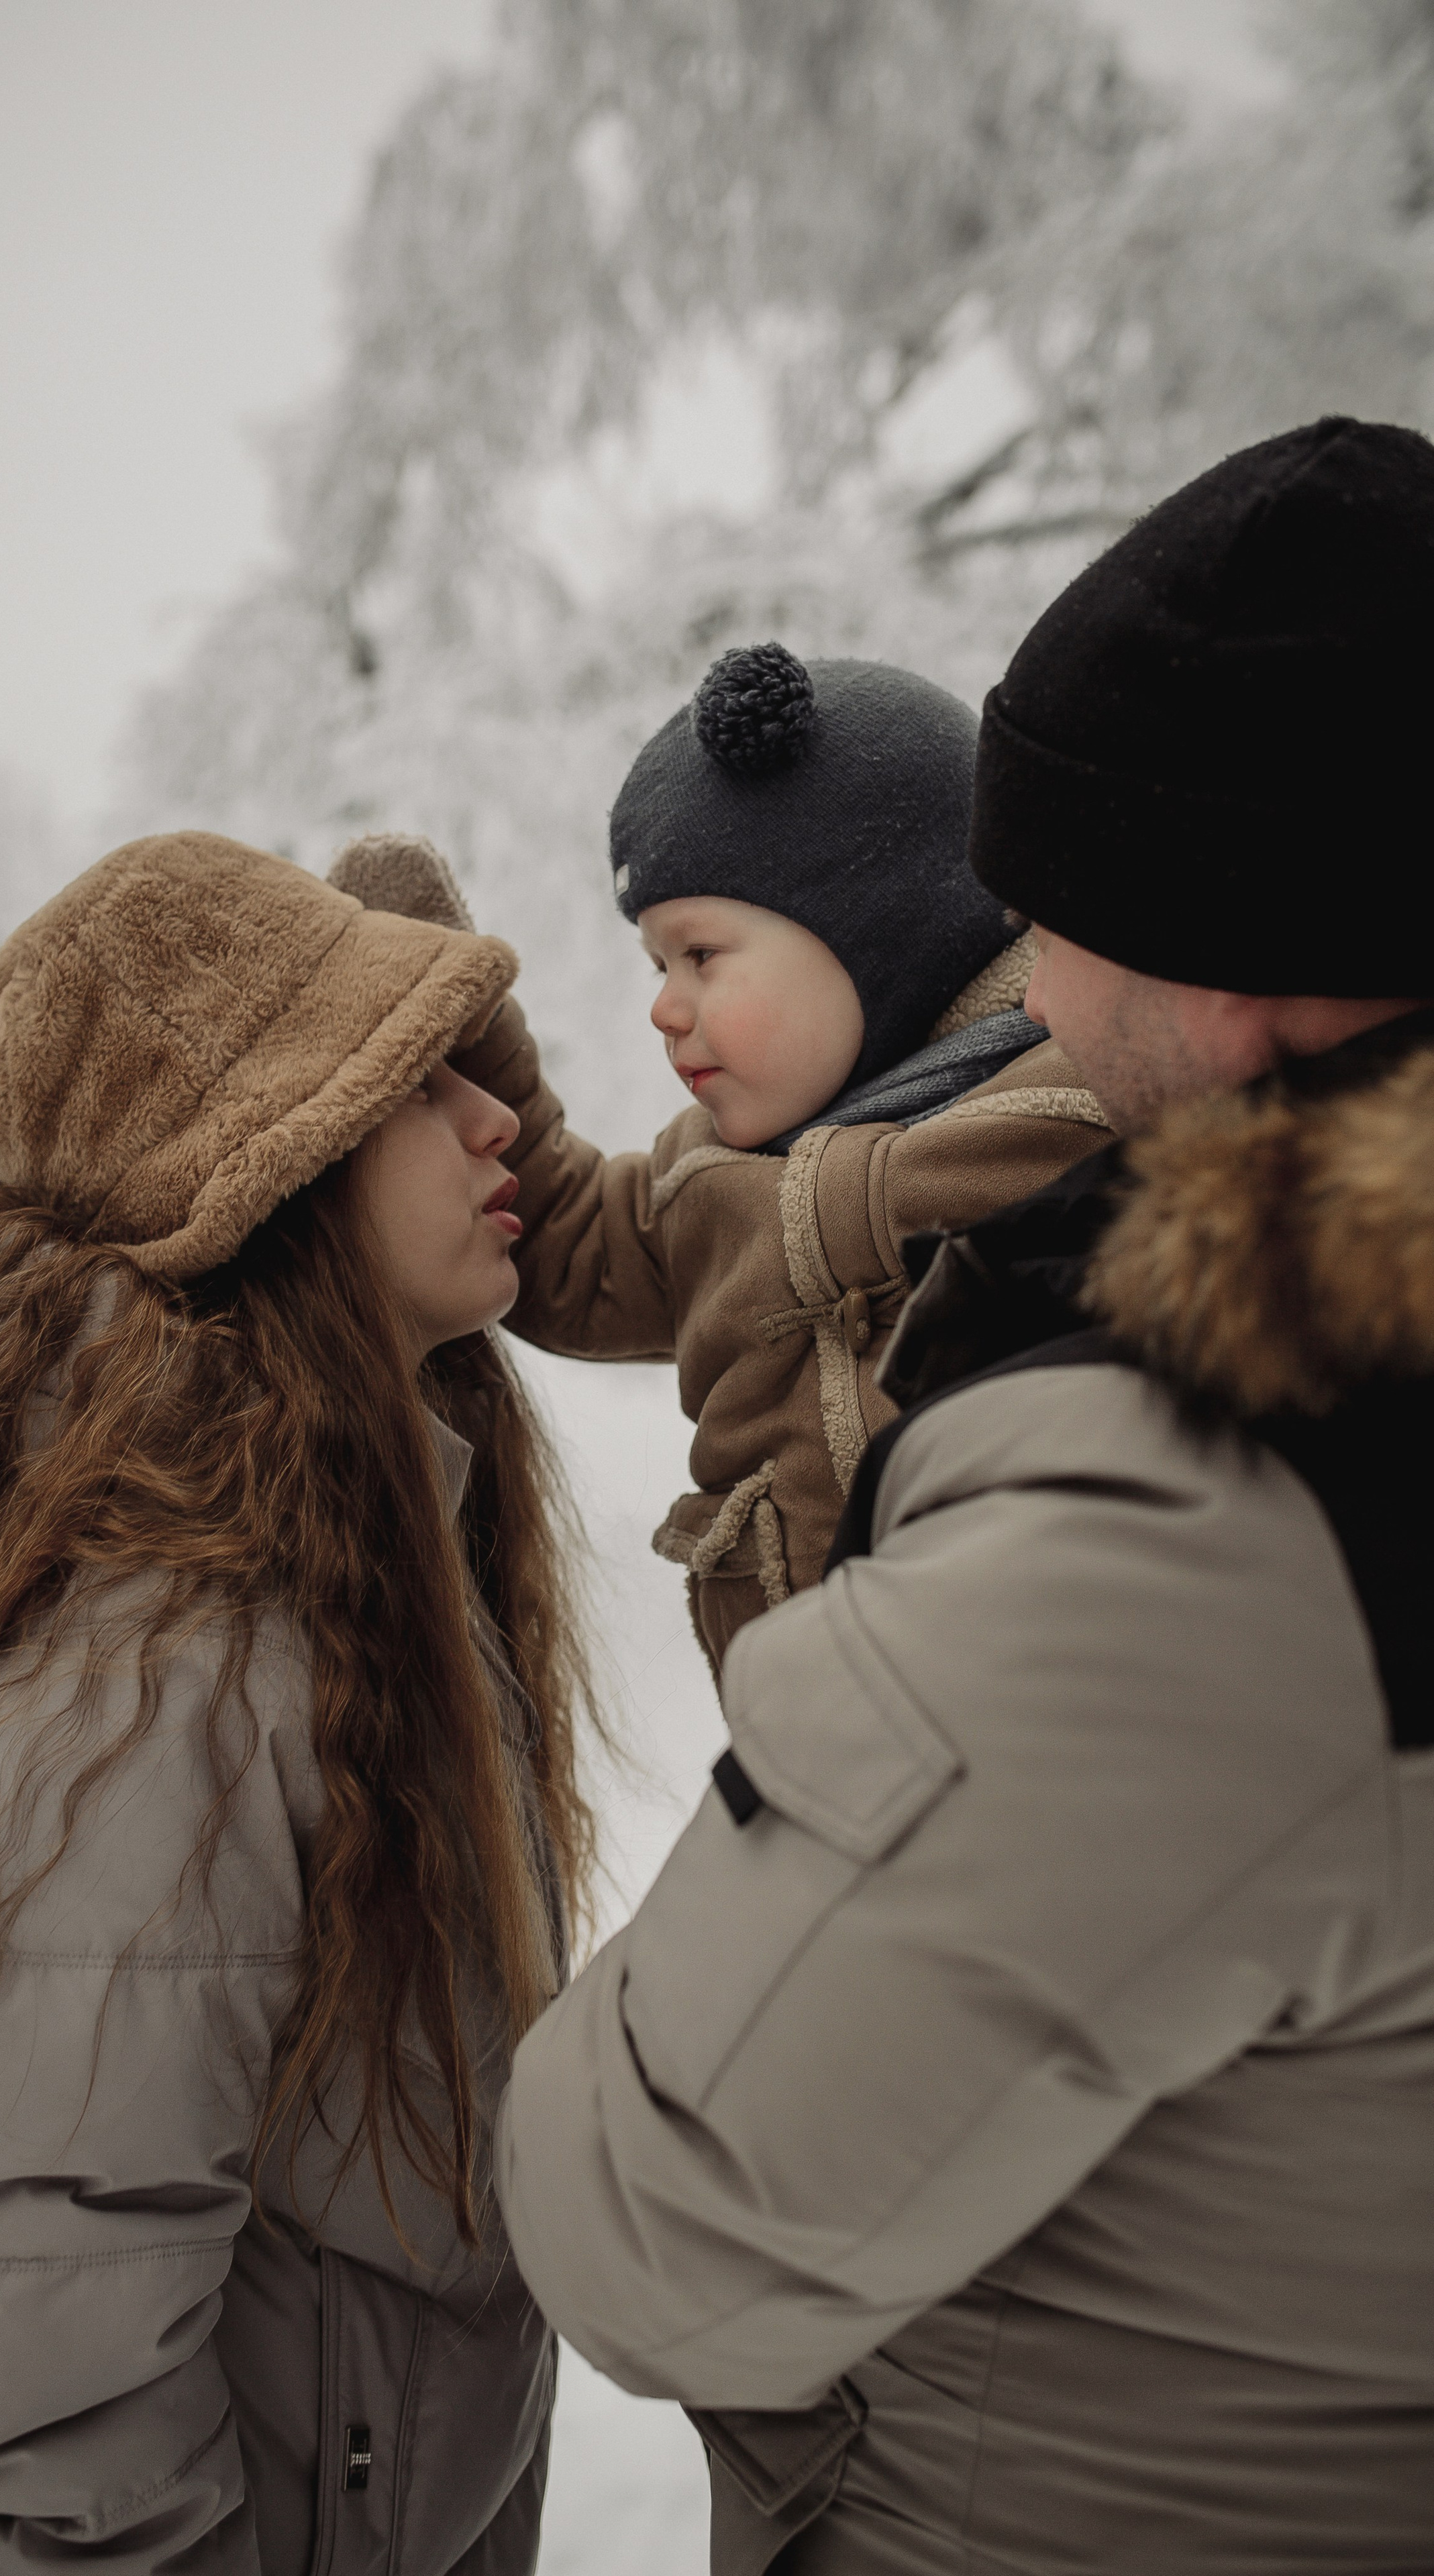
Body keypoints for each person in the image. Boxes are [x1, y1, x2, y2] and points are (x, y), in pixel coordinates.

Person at [488, 417, 1434, 2572]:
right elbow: (593, 1243)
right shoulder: (1112, 1281)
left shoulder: (1209, 1479)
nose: (1034, 953)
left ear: (1243, 976)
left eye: (1064, 892)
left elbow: (652, 2205)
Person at [0, 830, 600, 2573]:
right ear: (259, 1170)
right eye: (418, 1088)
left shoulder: (334, 1574)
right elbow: (37, 2388)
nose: (502, 1122)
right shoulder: (171, 1669)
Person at [451, 643, 1111, 1678]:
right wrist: (464, 1026)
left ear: (876, 929)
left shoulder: (1083, 1117)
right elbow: (567, 1244)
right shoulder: (708, 1179)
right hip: (821, 1758)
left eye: (702, 954)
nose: (664, 1007)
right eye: (656, 964)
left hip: (1052, 1744)